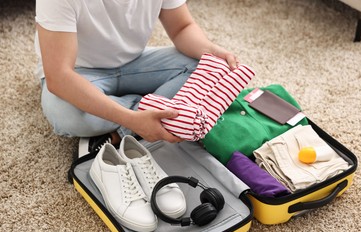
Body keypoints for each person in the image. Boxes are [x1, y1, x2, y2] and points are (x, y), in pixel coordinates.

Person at [35, 0, 239, 156]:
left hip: (137, 62)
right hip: (80, 71)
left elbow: (181, 27)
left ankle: (121, 130)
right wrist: (131, 120)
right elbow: (59, 76)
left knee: (205, 65)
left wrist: (210, 50)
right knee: (65, 113)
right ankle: (146, 114)